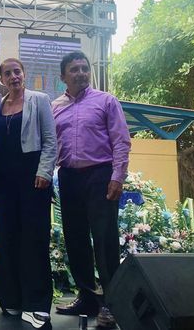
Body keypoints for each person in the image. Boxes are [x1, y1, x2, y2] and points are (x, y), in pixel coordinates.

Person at [52, 51, 131, 329]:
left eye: (84, 68)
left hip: (100, 176)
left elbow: (121, 141)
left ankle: (111, 303)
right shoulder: (55, 107)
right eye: (74, 69)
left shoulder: (106, 101)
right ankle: (87, 297)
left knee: (104, 241)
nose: (81, 73)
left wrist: (117, 177)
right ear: (63, 76)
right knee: (75, 240)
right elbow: (50, 145)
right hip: (69, 177)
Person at [0, 58, 57, 329]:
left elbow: (51, 140)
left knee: (34, 239)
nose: (13, 76)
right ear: (2, 79)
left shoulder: (39, 99)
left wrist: (44, 172)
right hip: (5, 180)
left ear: (24, 73)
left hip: (34, 178)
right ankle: (12, 298)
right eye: (7, 73)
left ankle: (36, 304)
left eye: (16, 71)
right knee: (8, 237)